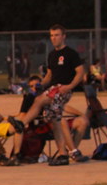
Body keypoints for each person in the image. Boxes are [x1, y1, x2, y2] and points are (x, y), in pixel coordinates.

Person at [13, 24, 87, 165]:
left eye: (57, 35)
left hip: (62, 89)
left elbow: (80, 72)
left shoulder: (71, 53)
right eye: (51, 35)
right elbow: (49, 75)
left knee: (40, 101)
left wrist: (70, 86)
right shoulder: (52, 54)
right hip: (53, 88)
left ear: (63, 36)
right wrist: (40, 85)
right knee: (56, 121)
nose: (54, 38)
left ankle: (21, 123)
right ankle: (63, 155)